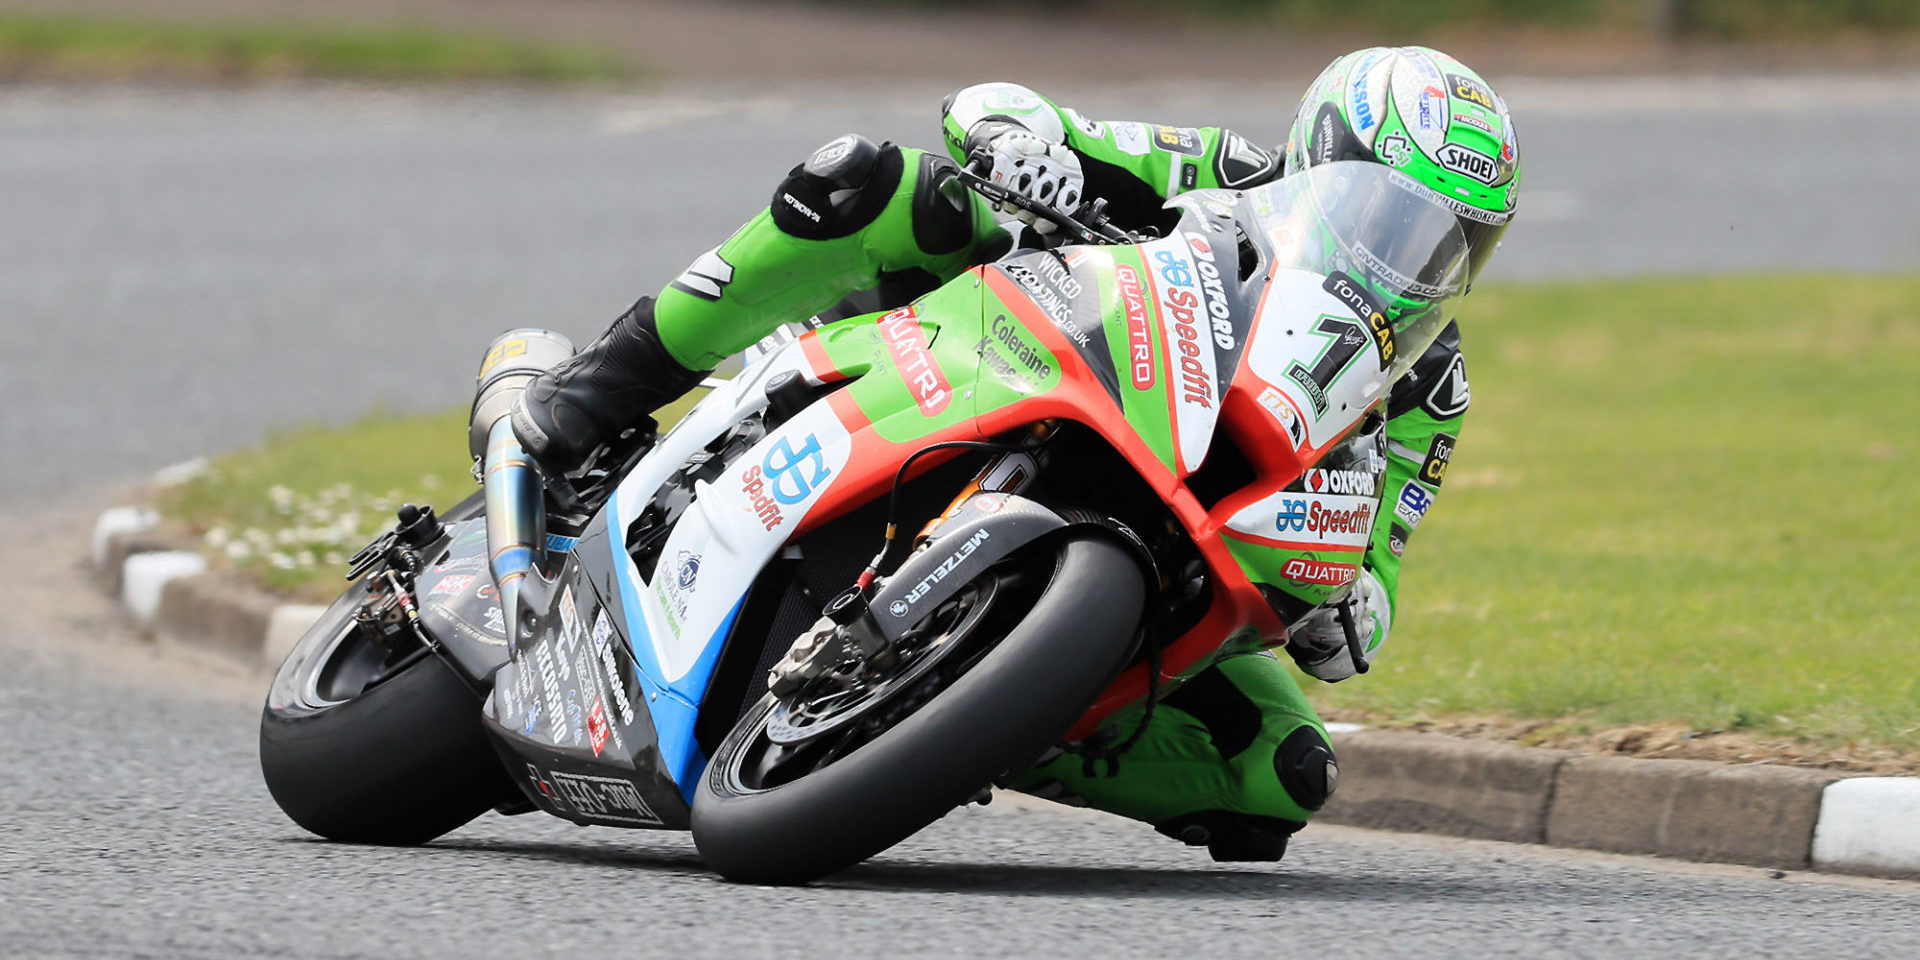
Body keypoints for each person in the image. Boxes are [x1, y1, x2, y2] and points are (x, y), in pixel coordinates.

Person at [510, 46, 1520, 862]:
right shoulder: (1222, 170)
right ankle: (593, 396)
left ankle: (967, 715)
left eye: (1448, 244)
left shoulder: (1429, 386)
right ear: (1317, 153)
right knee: (881, 183)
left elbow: (1380, 562)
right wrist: (1018, 145)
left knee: (1284, 770)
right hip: (1007, 352)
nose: (1408, 259)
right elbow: (1002, 106)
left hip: (1183, 552)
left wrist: (1350, 611)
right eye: (1390, 214)